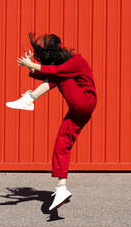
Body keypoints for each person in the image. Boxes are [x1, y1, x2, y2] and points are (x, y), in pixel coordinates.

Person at [6, 33, 97, 211]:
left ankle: (30, 99)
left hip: (85, 101)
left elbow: (56, 72)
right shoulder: (63, 69)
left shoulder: (76, 61)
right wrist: (32, 69)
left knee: (60, 76)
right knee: (62, 144)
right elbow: (51, 75)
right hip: (80, 110)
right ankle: (61, 188)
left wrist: (32, 64)